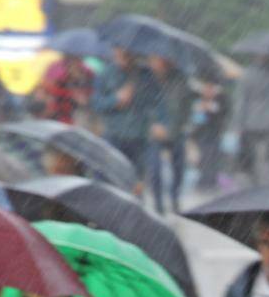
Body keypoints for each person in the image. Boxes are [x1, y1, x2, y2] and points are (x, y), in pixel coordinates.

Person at [94, 47, 158, 189]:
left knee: (136, 182)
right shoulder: (106, 74)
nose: (122, 56)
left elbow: (156, 101)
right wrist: (115, 99)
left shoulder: (146, 75)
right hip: (114, 135)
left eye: (126, 53)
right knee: (108, 178)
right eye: (118, 52)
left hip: (138, 136)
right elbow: (97, 104)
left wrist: (139, 98)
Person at [229, 55, 269, 186]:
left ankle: (255, 185)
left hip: (251, 122)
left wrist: (237, 124)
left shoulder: (247, 74)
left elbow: (241, 101)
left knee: (251, 157)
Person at [147, 55, 191, 214]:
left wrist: (175, 128)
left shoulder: (180, 79)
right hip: (153, 132)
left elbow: (185, 106)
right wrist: (153, 125)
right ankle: (158, 203)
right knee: (155, 168)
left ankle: (174, 198)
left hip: (176, 131)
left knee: (179, 167)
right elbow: (143, 105)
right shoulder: (146, 78)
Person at [190, 79, 229, 192]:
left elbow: (223, 113)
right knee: (204, 158)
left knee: (213, 157)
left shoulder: (220, 100)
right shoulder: (198, 101)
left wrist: (211, 108)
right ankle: (204, 183)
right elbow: (196, 120)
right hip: (202, 134)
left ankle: (211, 182)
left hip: (215, 133)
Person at [33, 52, 93, 124]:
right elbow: (52, 94)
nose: (73, 67)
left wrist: (84, 100)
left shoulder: (87, 78)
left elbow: (88, 98)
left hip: (77, 114)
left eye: (76, 63)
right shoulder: (61, 80)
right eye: (71, 65)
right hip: (60, 114)